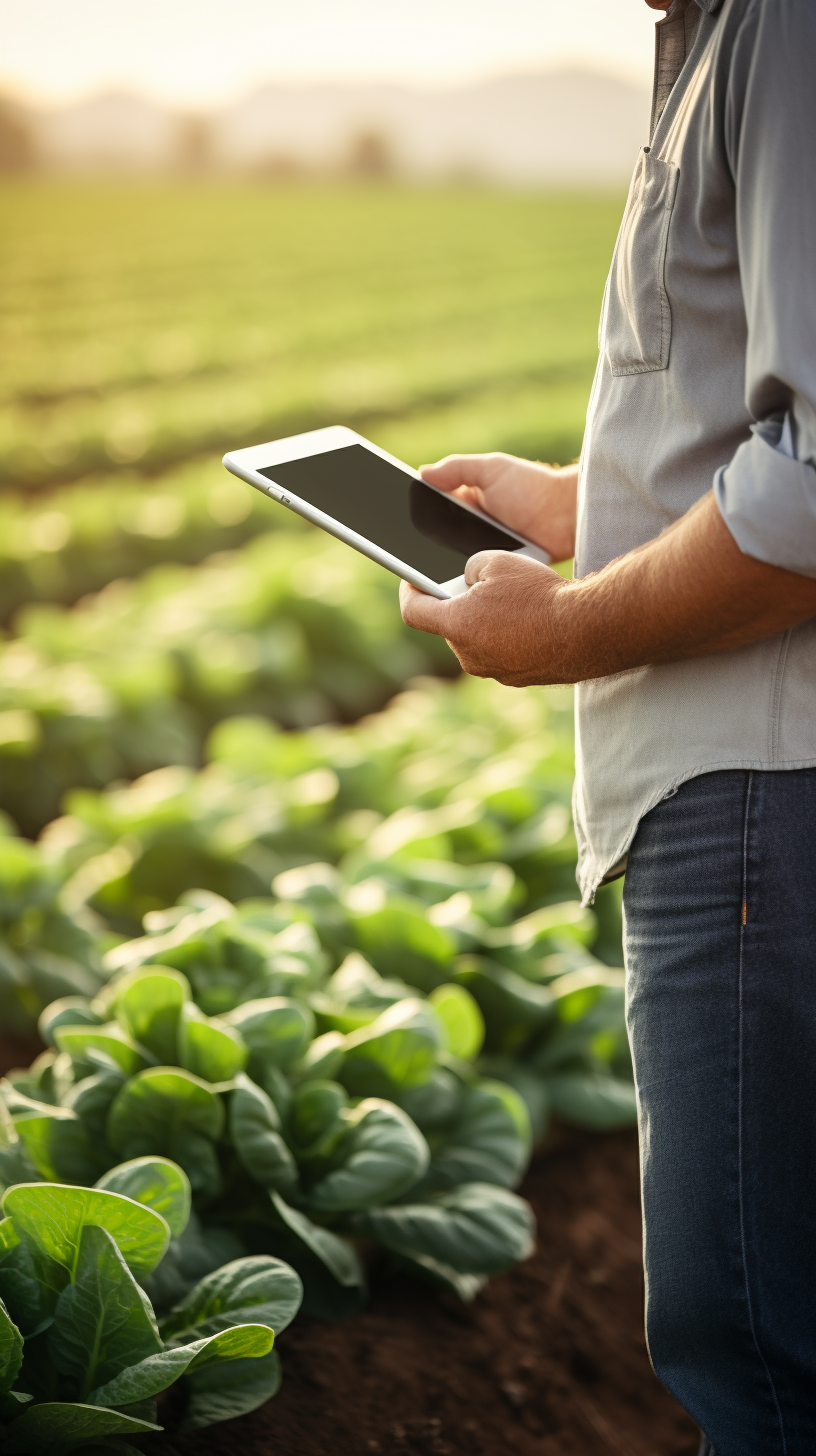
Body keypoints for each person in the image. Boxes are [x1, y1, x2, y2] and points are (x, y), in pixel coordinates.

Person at [399, 2, 816, 1453]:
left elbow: (813, 494)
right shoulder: (716, 35)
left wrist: (557, 633)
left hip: (760, 785)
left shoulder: (781, 33)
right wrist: (597, 499)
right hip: (767, 779)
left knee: (761, 1359)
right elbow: (764, 409)